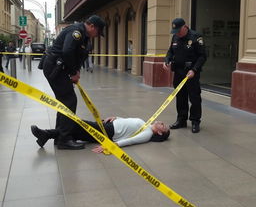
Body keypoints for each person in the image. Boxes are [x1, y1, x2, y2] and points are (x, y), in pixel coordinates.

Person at [37, 15, 106, 150]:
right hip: (55, 67)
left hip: (58, 67)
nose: (97, 35)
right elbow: (67, 51)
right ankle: (64, 139)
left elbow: (77, 55)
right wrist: (73, 72)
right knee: (69, 101)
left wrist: (76, 71)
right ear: (92, 26)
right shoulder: (77, 32)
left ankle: (59, 136)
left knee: (64, 101)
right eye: (98, 32)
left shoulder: (84, 37)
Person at [163, 18, 207, 133]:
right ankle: (181, 120)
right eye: (175, 31)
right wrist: (166, 60)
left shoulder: (196, 37)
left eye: (178, 30)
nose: (177, 33)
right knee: (180, 97)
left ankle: (195, 121)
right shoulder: (175, 37)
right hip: (178, 72)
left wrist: (194, 70)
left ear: (184, 27)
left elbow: (202, 56)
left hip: (191, 73)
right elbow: (170, 51)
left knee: (194, 97)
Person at [30, 117, 170, 151]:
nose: (161, 122)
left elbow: (131, 141)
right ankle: (45, 135)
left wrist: (110, 146)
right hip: (108, 125)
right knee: (76, 129)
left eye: (163, 126)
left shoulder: (146, 134)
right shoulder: (146, 123)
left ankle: (46, 134)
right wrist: (117, 117)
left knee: (76, 124)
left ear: (158, 132)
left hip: (109, 132)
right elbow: (128, 121)